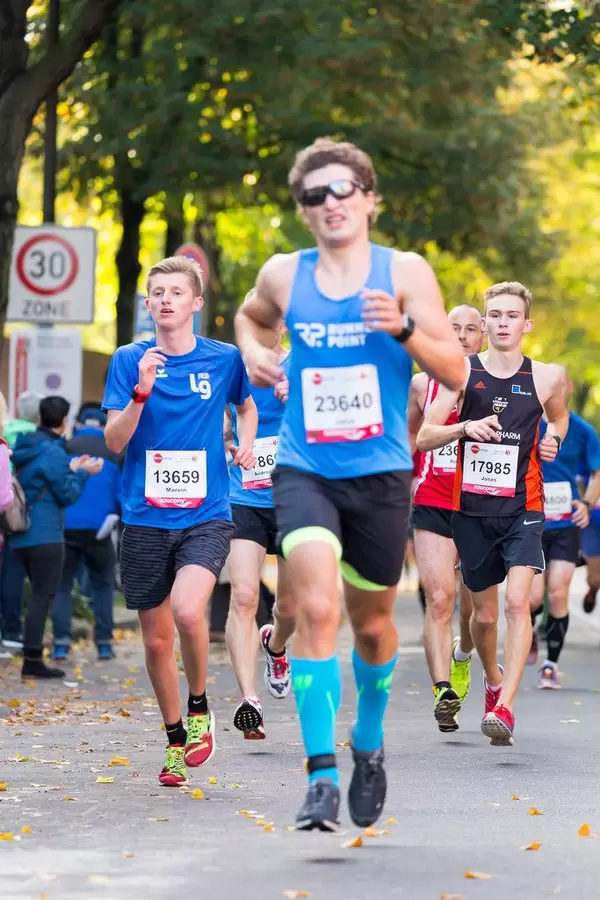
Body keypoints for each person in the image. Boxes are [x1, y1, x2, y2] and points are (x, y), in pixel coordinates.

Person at [235, 137, 465, 831]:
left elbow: (455, 371)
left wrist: (402, 329)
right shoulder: (283, 274)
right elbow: (250, 318)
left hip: (382, 474)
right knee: (314, 607)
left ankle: (367, 741)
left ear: (368, 199)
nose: (330, 204)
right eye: (315, 195)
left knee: (369, 625)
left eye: (343, 191)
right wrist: (254, 352)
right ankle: (319, 776)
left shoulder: (404, 272)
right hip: (304, 468)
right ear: (303, 210)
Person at [103, 255, 257, 788]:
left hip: (206, 513)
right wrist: (141, 392)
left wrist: (246, 440)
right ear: (147, 305)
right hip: (145, 517)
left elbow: (247, 405)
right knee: (155, 642)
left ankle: (199, 709)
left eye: (176, 292)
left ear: (196, 303)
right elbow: (115, 442)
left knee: (191, 611)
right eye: (157, 293)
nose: (165, 300)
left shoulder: (224, 359)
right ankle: (174, 739)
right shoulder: (128, 360)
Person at [418, 281, 569, 746]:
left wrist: (553, 440)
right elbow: (423, 436)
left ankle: (505, 708)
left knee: (518, 602)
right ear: (488, 323)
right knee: (482, 619)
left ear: (527, 323)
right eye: (496, 316)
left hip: (524, 506)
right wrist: (463, 427)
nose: (503, 323)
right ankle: (492, 681)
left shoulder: (546, 376)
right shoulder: (461, 374)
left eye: (512, 315)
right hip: (472, 512)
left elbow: (559, 418)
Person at [408, 304, 484, 731]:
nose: (461, 335)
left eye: (471, 329)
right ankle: (443, 690)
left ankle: (462, 655)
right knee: (439, 598)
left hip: (480, 502)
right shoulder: (422, 383)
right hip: (433, 498)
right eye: (453, 328)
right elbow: (409, 438)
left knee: (472, 610)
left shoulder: (499, 383)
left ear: (483, 337)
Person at [224, 317, 295, 739]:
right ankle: (249, 698)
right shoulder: (231, 365)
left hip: (293, 499)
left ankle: (277, 646)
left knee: (290, 608)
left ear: (280, 326)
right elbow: (212, 416)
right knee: (245, 595)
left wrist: (301, 397)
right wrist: (227, 442)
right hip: (244, 496)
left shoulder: (302, 362)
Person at [10, 396, 103, 678]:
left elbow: (40, 480)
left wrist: (71, 469)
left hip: (19, 532)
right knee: (42, 596)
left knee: (30, 595)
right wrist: (84, 474)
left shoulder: (25, 446)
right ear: (64, 421)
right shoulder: (53, 452)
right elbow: (68, 494)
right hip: (45, 533)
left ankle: (27, 652)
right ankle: (33, 660)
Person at [528, 391, 600, 686]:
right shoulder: (526, 420)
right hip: (531, 520)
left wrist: (585, 503)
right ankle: (529, 629)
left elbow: (597, 472)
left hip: (566, 522)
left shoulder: (583, 430)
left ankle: (550, 664)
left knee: (558, 592)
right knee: (531, 598)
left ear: (568, 388)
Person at [51, 404, 123, 662]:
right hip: (99, 530)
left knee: (62, 586)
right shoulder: (114, 452)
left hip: (67, 527)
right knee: (103, 586)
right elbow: (121, 495)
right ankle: (103, 643)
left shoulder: (66, 448)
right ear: (103, 425)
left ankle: (61, 643)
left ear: (79, 423)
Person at [0, 390, 42, 649]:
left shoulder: (11, 433)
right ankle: (11, 631)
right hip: (15, 523)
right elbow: (5, 498)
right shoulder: (8, 444)